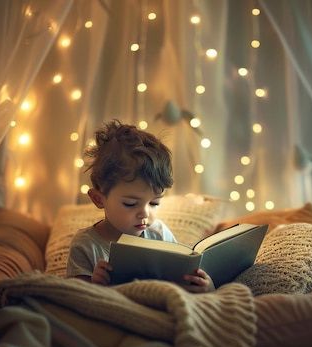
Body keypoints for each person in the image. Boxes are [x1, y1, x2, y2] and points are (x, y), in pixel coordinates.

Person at [66, 120, 215, 293]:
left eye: (154, 203)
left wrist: (205, 286)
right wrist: (96, 286)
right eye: (130, 204)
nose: (145, 213)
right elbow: (74, 298)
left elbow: (181, 280)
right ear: (99, 199)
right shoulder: (86, 245)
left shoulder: (159, 233)